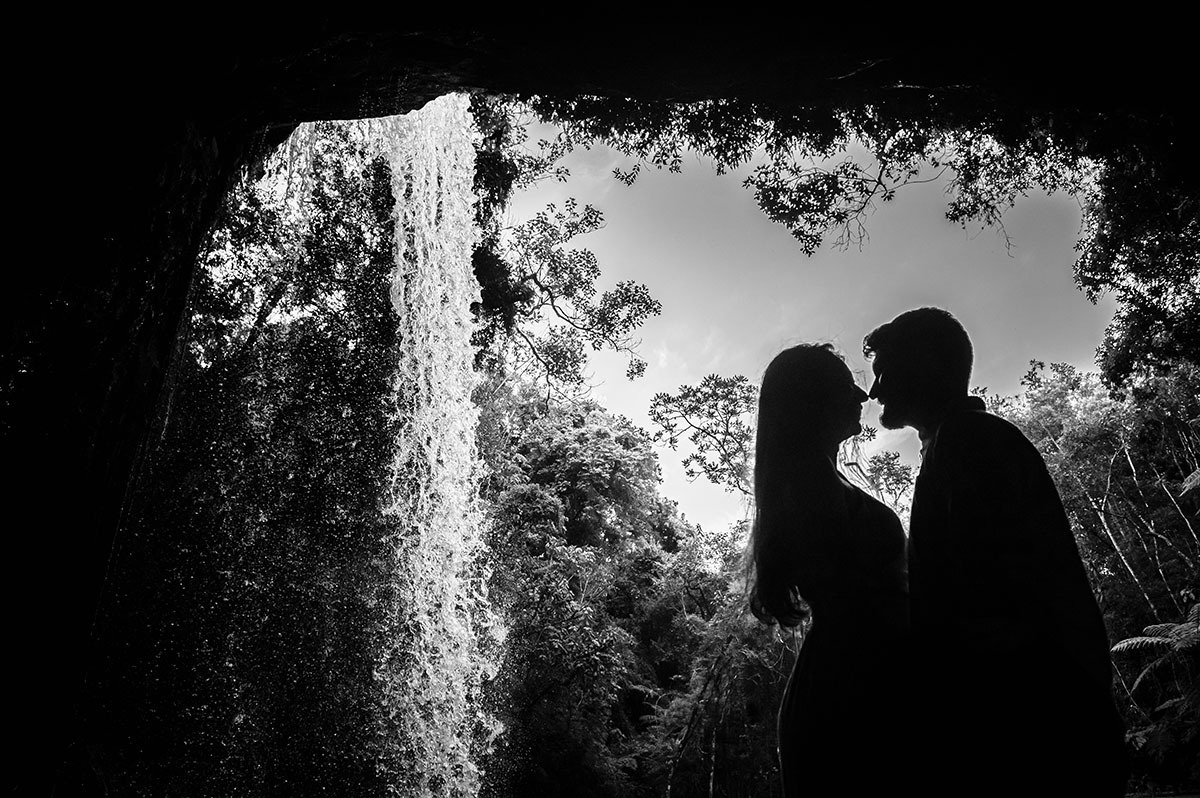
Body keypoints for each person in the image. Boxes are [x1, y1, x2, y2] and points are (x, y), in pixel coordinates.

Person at [863, 307, 1127, 797]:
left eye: (885, 372)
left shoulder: (970, 444)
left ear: (925, 366)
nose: (875, 390)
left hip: (1034, 739)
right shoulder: (957, 444)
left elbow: (983, 608)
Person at [748, 343, 910, 797]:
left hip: (854, 686)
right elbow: (859, 600)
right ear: (810, 399)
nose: (862, 396)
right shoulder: (806, 488)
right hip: (849, 698)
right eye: (845, 385)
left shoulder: (817, 481)